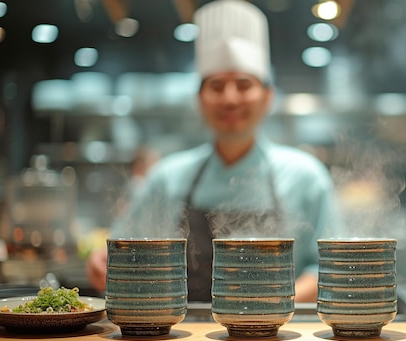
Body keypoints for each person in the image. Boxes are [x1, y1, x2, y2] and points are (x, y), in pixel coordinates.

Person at [86, 0, 344, 302]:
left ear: (268, 97)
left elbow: (329, 268)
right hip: (182, 338)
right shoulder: (168, 177)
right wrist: (101, 262)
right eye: (217, 85)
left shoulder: (305, 176)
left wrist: (274, 301)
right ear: (199, 98)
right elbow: (119, 250)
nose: (231, 98)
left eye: (244, 84)